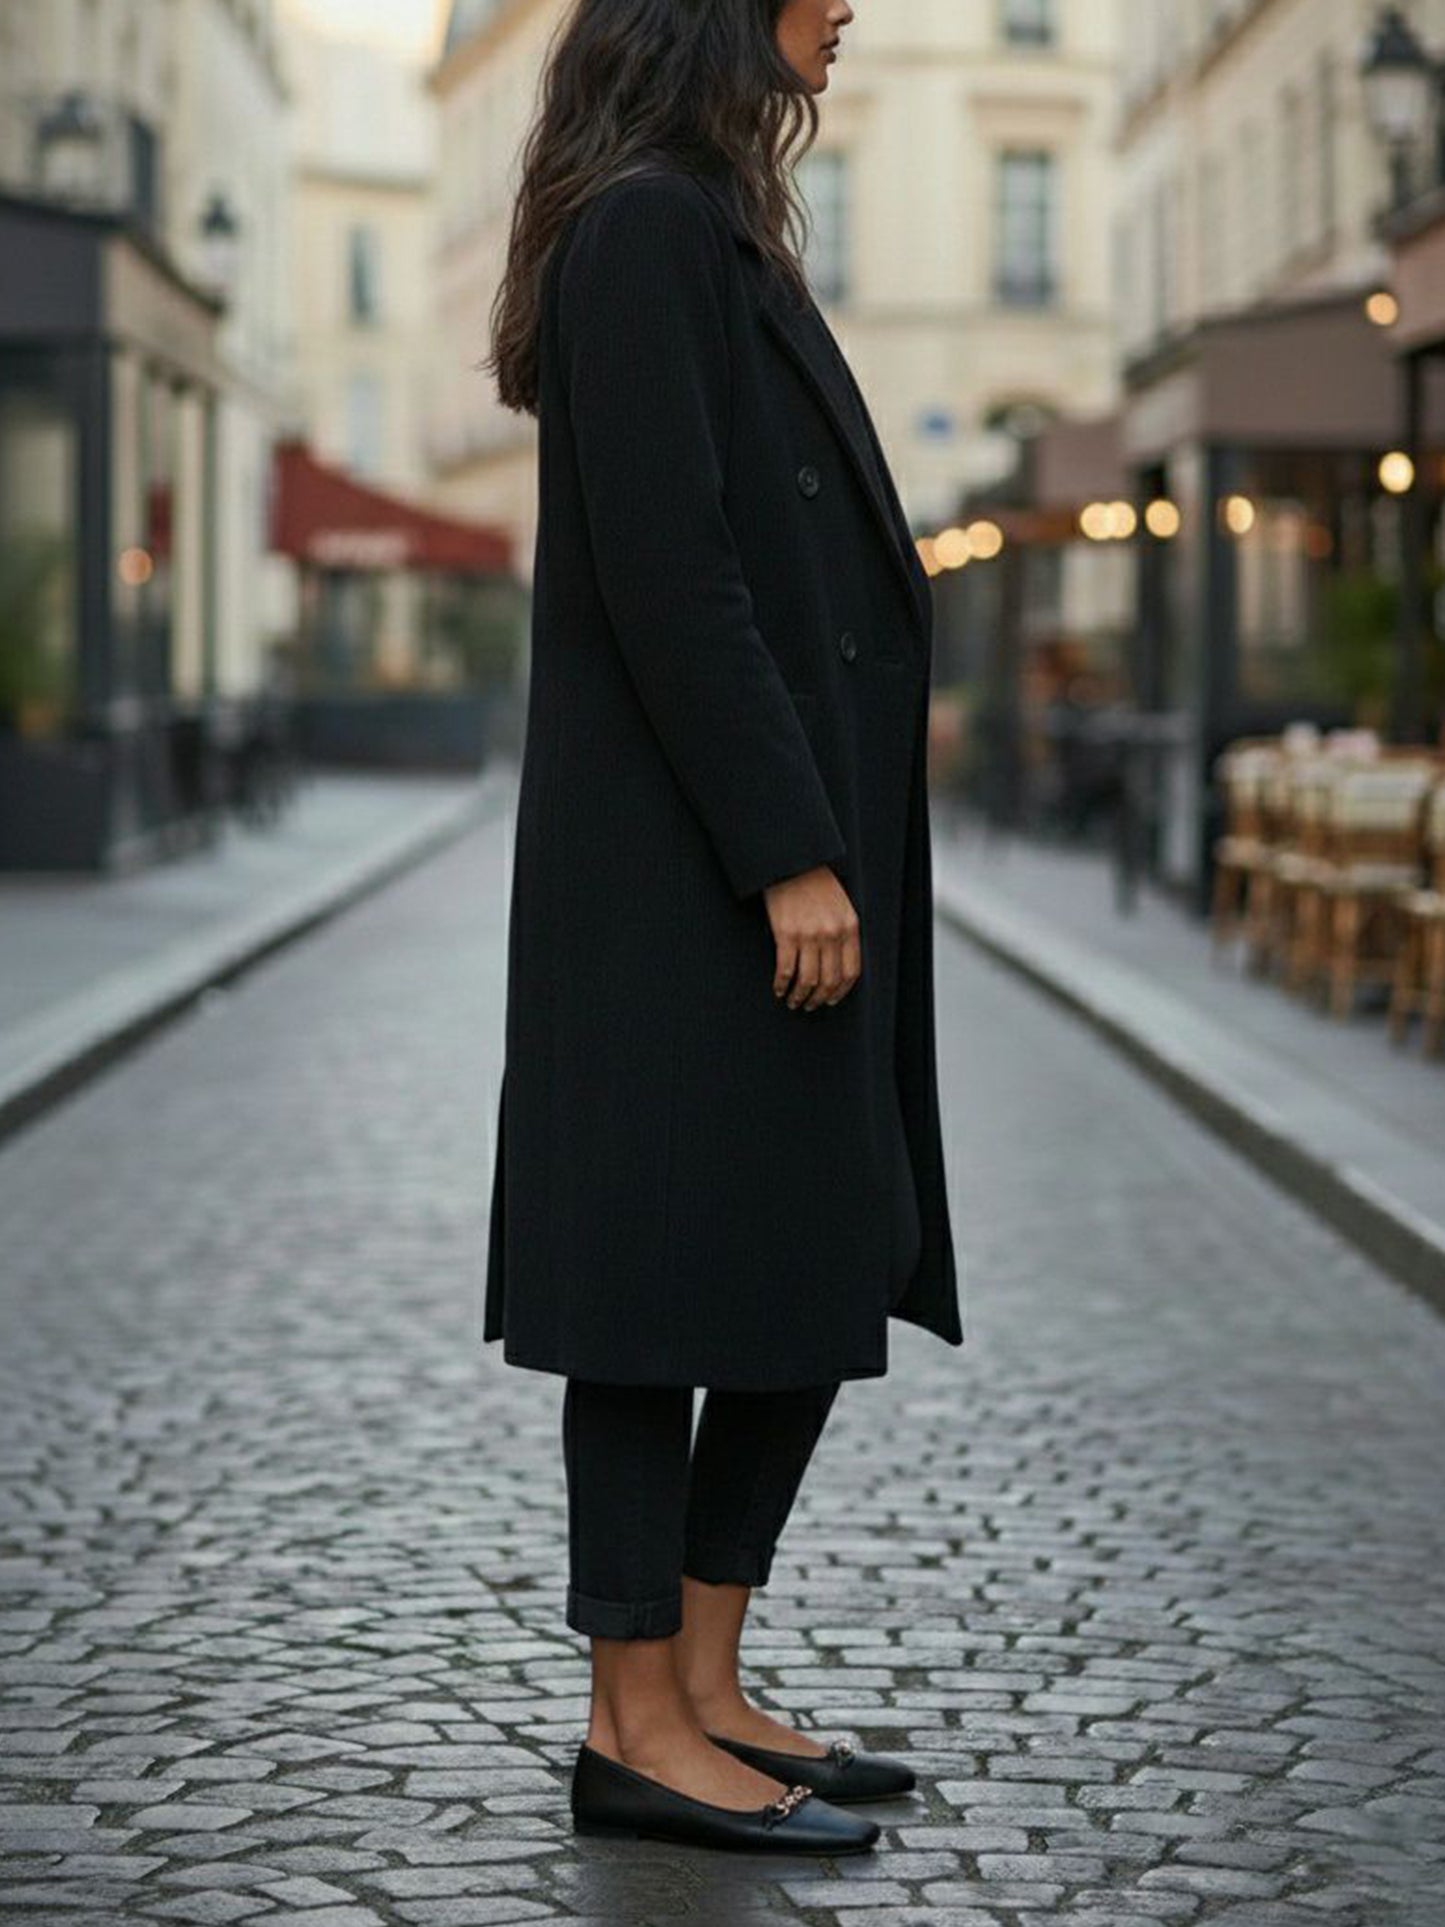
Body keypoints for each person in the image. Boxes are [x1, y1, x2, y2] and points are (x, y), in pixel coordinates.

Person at [480, 0, 964, 1855]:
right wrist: (786, 850)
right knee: (655, 1282)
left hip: (763, 849)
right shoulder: (643, 230)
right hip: (687, 876)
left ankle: (702, 1678)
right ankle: (631, 1722)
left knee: (811, 1249)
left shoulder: (707, 221)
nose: (850, 5)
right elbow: (670, 568)